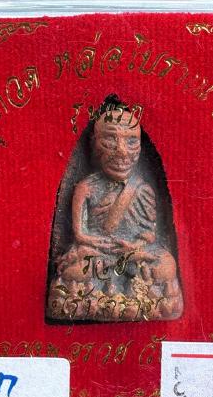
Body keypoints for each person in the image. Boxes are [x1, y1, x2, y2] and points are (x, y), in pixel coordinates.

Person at [47, 103, 183, 322]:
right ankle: (98, 297)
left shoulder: (142, 189)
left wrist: (133, 247)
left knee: (166, 265)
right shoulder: (86, 187)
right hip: (98, 253)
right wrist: (98, 243)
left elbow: (149, 235)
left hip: (131, 252)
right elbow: (80, 234)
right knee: (73, 270)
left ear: (140, 146)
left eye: (131, 141)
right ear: (94, 144)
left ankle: (129, 295)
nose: (122, 151)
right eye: (110, 140)